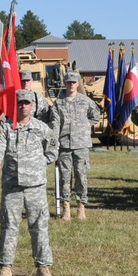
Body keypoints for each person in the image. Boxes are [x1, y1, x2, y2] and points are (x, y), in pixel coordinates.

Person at [0, 90, 58, 276]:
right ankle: (5, 267)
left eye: (27, 103)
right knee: (9, 226)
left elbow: (53, 147)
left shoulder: (41, 128)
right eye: (20, 103)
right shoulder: (5, 127)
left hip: (35, 186)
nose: (23, 106)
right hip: (12, 185)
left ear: (32, 105)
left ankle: (43, 267)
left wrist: (41, 163)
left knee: (39, 226)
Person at [49, 70, 99, 220]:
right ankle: (66, 208)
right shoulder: (58, 103)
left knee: (81, 175)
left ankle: (81, 207)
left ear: (78, 83)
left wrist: (84, 127)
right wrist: (54, 140)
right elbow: (55, 123)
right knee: (64, 177)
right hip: (64, 144)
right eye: (68, 82)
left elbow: (95, 116)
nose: (71, 84)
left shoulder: (85, 101)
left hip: (81, 144)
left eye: (74, 82)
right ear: (64, 84)